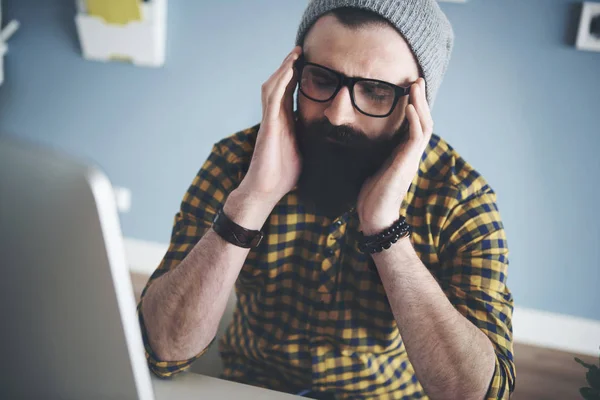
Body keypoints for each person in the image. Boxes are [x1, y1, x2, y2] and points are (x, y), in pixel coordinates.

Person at [138, 1, 516, 399]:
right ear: (291, 76)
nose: (338, 115)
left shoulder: (459, 200)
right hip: (251, 387)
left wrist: (386, 230)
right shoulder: (237, 163)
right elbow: (163, 352)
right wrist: (252, 200)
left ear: (416, 104)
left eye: (375, 92)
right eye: (321, 79)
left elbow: (479, 395)